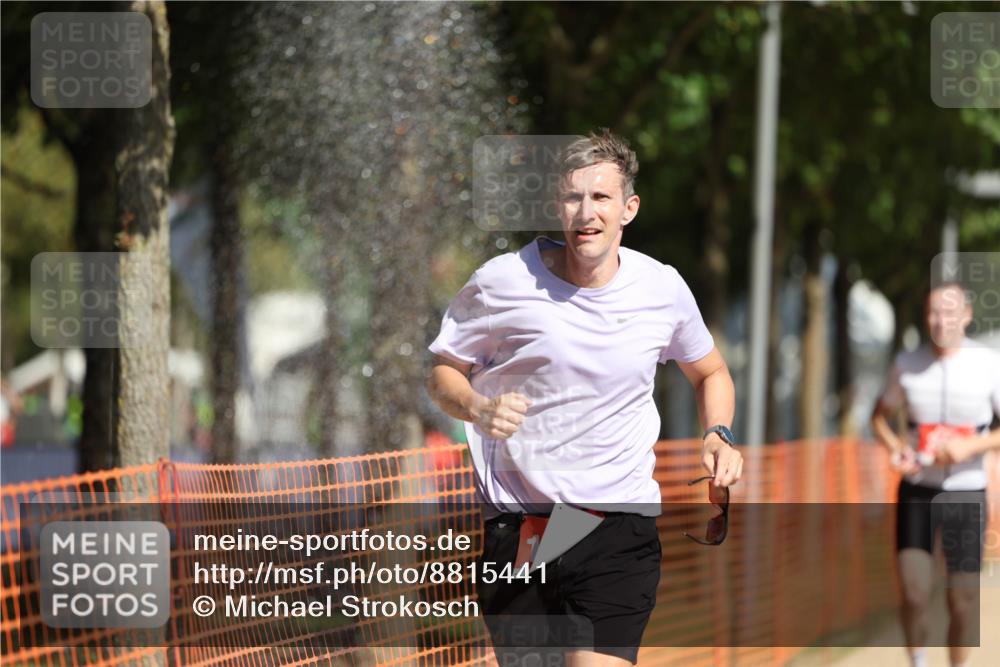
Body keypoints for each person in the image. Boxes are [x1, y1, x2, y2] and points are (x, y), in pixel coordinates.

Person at [427, 129, 742, 666]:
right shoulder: (502, 283)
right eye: (573, 197)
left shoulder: (661, 289)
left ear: (628, 209)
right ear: (558, 206)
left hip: (615, 526)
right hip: (522, 527)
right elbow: (442, 372)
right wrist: (478, 408)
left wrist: (718, 433)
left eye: (600, 197)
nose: (586, 212)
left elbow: (711, 371)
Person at [872, 282, 1000, 667]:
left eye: (949, 312)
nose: (941, 321)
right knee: (913, 593)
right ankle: (919, 661)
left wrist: (971, 447)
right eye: (933, 312)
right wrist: (896, 447)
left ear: (967, 316)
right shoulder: (907, 364)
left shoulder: (988, 364)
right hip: (917, 491)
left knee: (962, 600)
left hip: (967, 493)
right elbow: (879, 417)